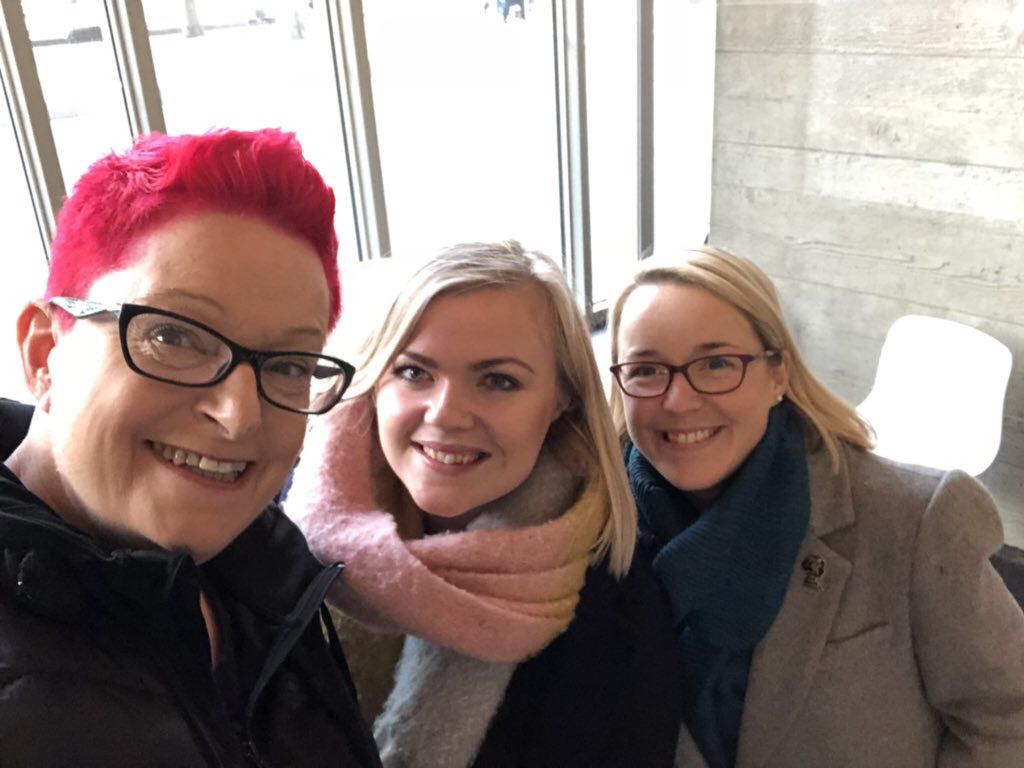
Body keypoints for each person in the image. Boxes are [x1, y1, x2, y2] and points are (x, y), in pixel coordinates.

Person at [0, 129, 382, 767]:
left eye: (288, 363)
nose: (238, 416)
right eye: (173, 336)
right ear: (45, 354)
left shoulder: (261, 570)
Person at [608, 244, 1024, 768]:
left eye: (716, 364)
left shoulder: (912, 521)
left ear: (777, 375)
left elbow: (1008, 718)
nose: (679, 400)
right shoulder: (595, 530)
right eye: (647, 370)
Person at [285, 241, 683, 768]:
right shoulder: (274, 550)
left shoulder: (618, 615)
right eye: (414, 372)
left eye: (499, 381)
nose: (447, 414)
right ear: (375, 380)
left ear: (560, 401)